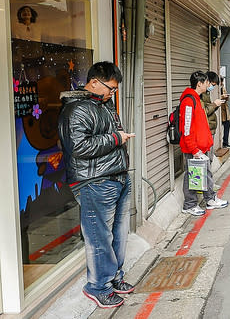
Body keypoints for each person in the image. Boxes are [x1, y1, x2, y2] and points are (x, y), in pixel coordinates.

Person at [58, 61, 135, 308]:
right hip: (94, 182)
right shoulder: (76, 110)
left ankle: (114, 278)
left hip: (117, 176)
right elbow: (79, 147)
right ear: (94, 82)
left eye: (114, 90)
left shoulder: (105, 104)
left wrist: (117, 137)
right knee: (99, 236)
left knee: (119, 233)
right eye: (110, 88)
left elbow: (113, 132)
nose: (112, 93)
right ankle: (98, 286)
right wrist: (115, 138)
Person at [179, 70, 228, 216]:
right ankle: (189, 205)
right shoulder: (189, 100)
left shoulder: (197, 98)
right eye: (206, 83)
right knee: (192, 175)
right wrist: (194, 150)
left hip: (201, 146)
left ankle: (210, 199)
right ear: (199, 84)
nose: (208, 85)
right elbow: (186, 129)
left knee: (204, 174)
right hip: (194, 148)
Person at [202, 71, 223, 144]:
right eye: (212, 85)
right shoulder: (200, 94)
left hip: (210, 127)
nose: (212, 87)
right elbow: (203, 112)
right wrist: (214, 104)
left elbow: (209, 108)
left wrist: (216, 105)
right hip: (206, 128)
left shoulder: (206, 93)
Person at [219, 77, 230, 148]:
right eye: (221, 81)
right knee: (219, 127)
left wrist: (226, 97)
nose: (222, 83)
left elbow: (227, 97)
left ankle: (225, 142)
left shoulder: (223, 87)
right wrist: (221, 96)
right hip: (220, 110)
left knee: (227, 125)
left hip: (225, 109)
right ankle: (220, 143)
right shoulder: (215, 89)